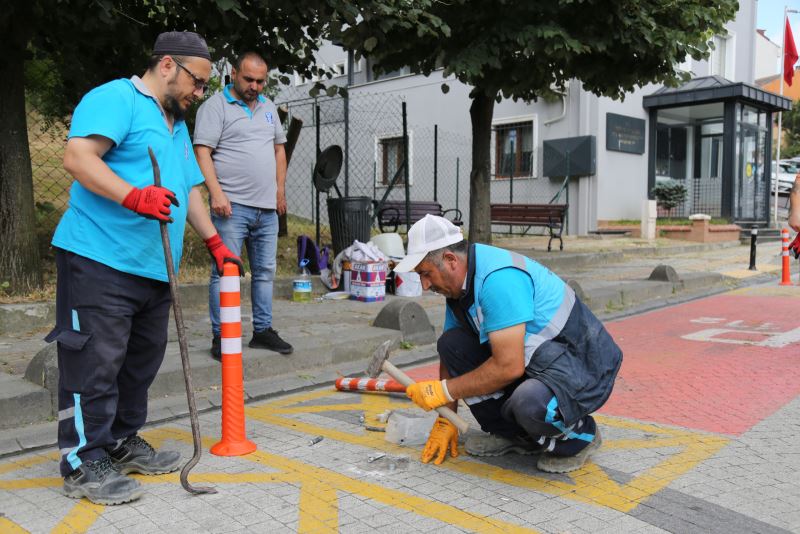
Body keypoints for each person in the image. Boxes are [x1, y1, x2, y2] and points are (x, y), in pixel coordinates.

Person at [47, 31, 243, 505]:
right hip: (99, 258)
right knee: (94, 362)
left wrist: (215, 244)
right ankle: (82, 461)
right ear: (169, 66)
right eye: (198, 83)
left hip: (155, 269)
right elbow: (78, 157)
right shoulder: (119, 98)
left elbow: (190, 189)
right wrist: (133, 196)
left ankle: (120, 441)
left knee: (139, 363)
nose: (200, 94)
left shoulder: (174, 125)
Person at [395, 215, 623, 472]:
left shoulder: (497, 280)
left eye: (426, 273)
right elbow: (451, 354)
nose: (425, 285)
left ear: (450, 260)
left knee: (529, 403)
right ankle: (519, 437)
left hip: (583, 366)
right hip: (541, 363)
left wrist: (444, 391)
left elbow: (508, 367)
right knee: (451, 344)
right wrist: (446, 419)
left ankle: (580, 437)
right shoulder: (460, 286)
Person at [193, 51, 293, 361]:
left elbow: (279, 150)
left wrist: (280, 191)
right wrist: (217, 193)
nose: (255, 86)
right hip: (231, 207)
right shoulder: (215, 107)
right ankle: (222, 336)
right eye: (249, 79)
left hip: (266, 208)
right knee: (225, 272)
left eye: (261, 81)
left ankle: (262, 331)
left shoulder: (268, 108)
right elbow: (202, 151)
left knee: (264, 272)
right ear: (234, 73)